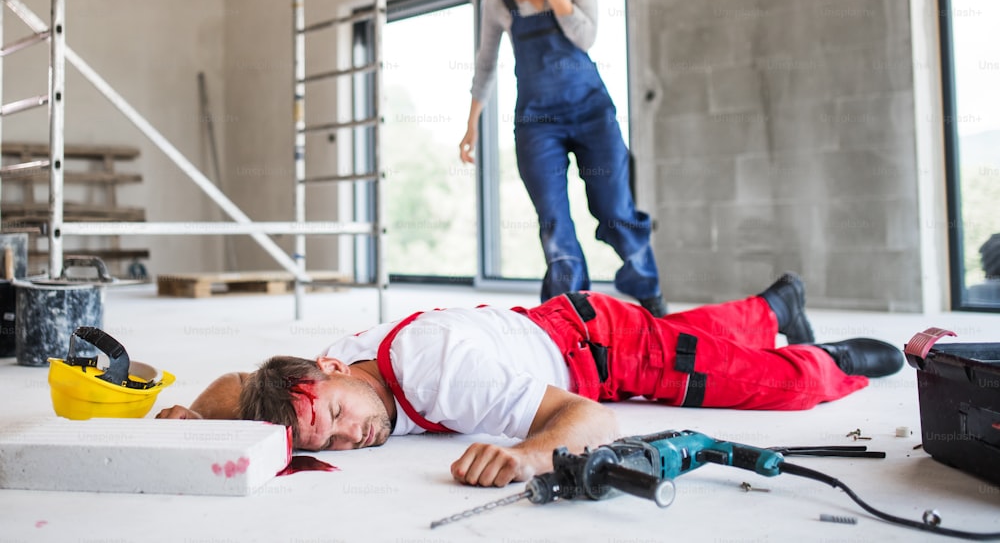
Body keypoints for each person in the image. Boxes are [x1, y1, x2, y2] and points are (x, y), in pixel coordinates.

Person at [156, 273, 904, 488]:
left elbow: (588, 417)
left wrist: (529, 456)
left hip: (599, 347)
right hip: (549, 319)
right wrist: (195, 410)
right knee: (700, 337)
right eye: (337, 439)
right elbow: (240, 385)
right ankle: (771, 305)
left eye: (342, 416)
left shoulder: (439, 372)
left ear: (328, 371)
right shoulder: (318, 380)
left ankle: (828, 354)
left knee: (758, 383)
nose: (357, 434)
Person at [457, 0, 665, 316]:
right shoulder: (497, 1)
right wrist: (471, 126)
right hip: (537, 122)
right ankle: (573, 310)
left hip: (592, 114)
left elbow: (585, 36)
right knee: (553, 219)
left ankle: (647, 287)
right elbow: (486, 65)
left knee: (614, 208)